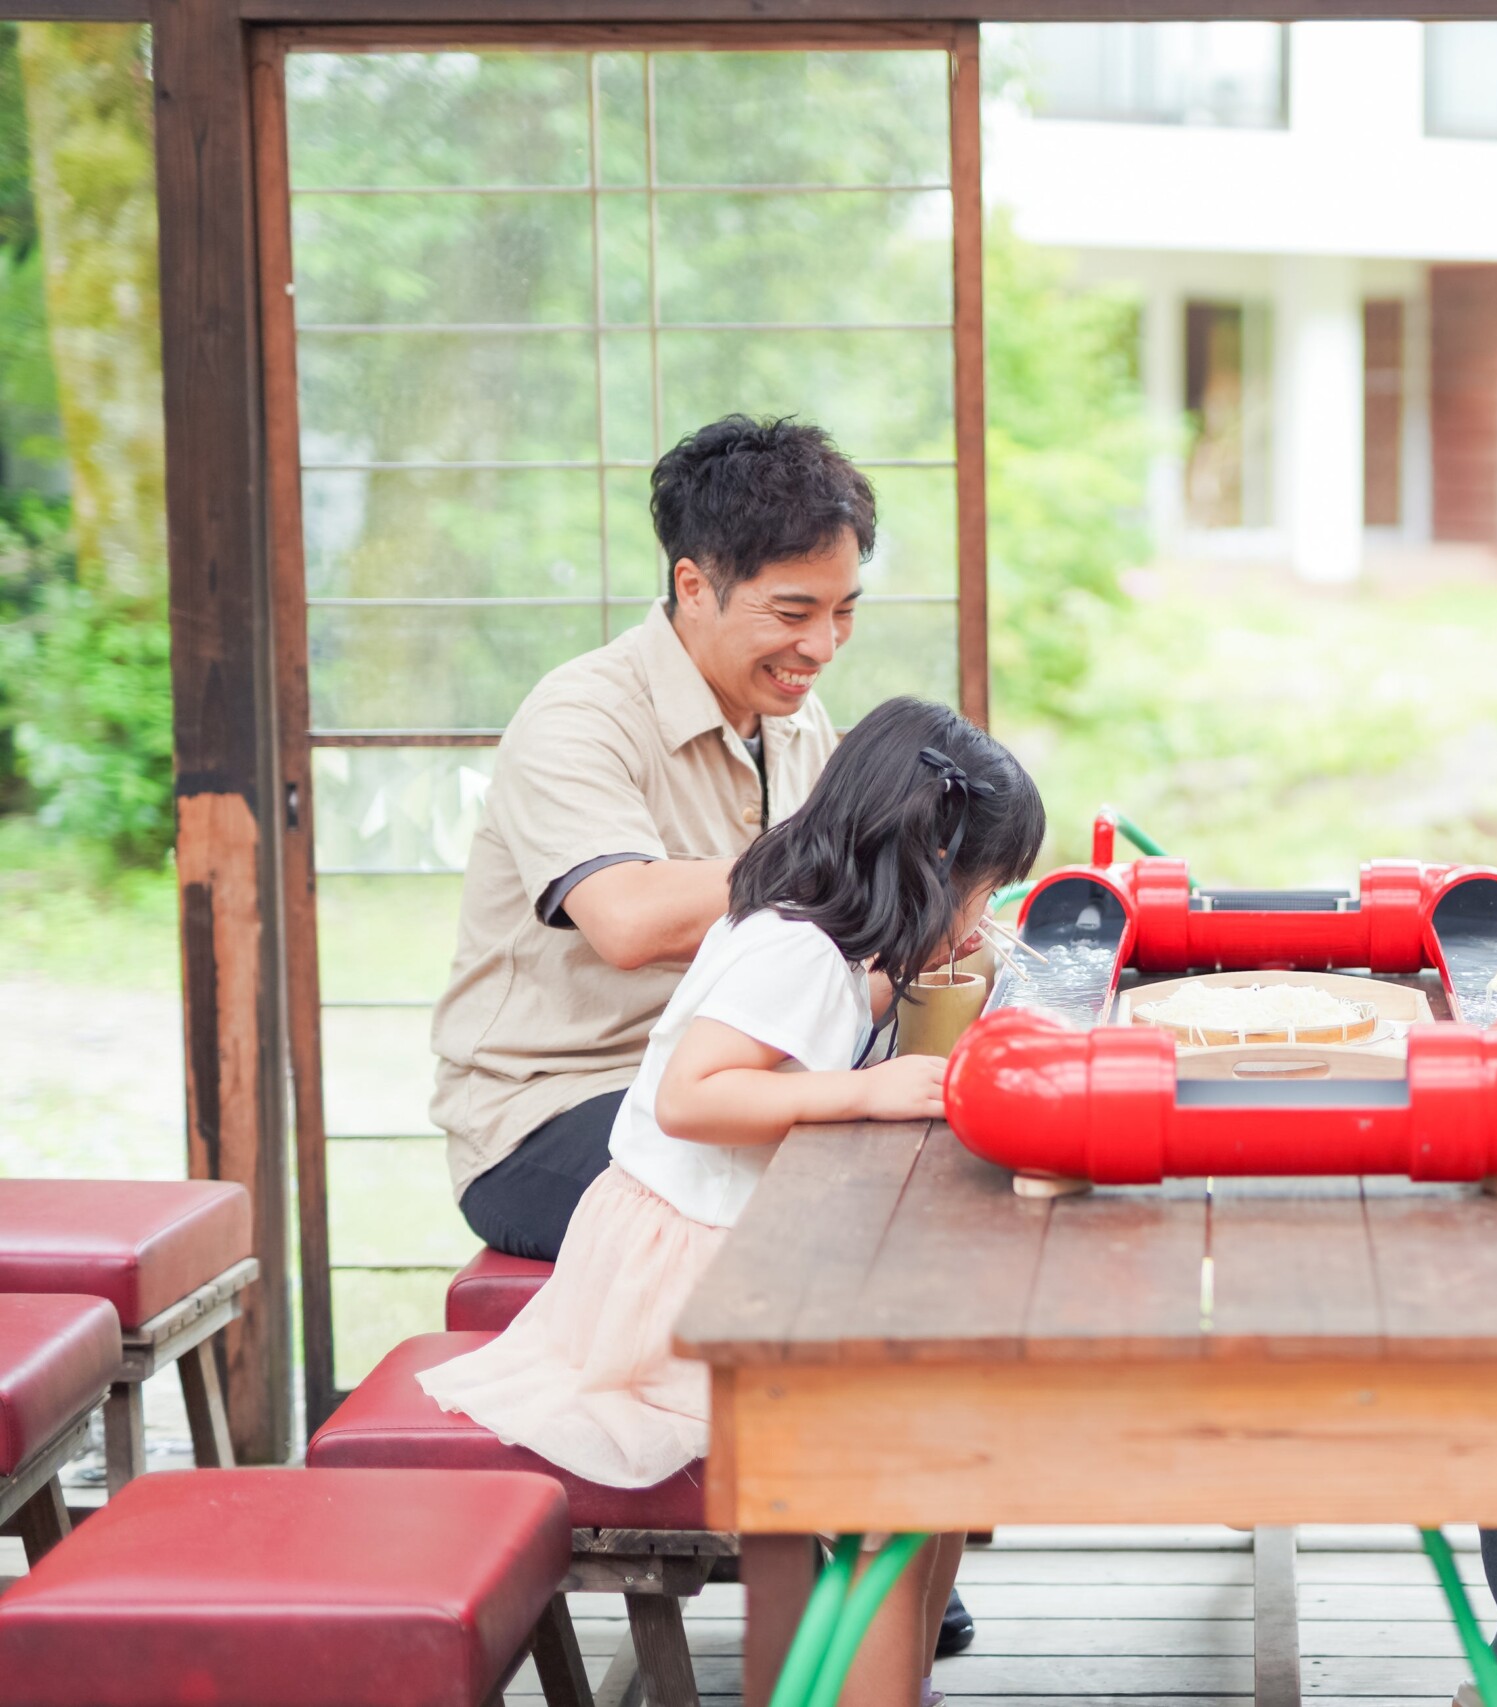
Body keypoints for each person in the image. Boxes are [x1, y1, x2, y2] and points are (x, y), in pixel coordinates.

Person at [421, 696, 1046, 1707]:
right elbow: (692, 1096)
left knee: (940, 1415)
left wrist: (931, 978)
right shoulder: (791, 947)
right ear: (924, 863)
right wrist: (864, 1090)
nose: (978, 921)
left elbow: (820, 1018)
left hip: (730, 1249)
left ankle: (902, 1673)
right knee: (906, 1445)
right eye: (978, 894)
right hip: (687, 1287)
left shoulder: (824, 934)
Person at [432, 413, 870, 1265]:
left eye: (843, 611)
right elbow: (628, 920)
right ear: (695, 585)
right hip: (549, 1116)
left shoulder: (794, 720)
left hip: (721, 1077)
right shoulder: (580, 716)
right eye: (793, 610)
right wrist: (842, 853)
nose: (821, 646)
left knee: (895, 1155)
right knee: (831, 1205)